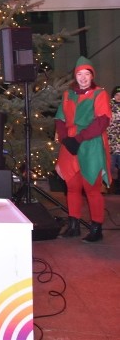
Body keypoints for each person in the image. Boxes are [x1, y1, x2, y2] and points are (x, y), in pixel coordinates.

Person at [54, 56, 112, 242]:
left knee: (92, 188)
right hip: (70, 145)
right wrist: (65, 139)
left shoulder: (100, 94)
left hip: (90, 144)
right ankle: (73, 225)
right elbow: (60, 119)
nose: (83, 78)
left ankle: (96, 228)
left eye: (87, 74)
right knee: (72, 187)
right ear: (75, 76)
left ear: (92, 76)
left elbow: (102, 121)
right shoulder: (67, 95)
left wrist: (79, 138)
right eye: (80, 74)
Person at [107, 86, 120, 193]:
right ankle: (111, 186)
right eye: (117, 94)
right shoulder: (108, 106)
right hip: (110, 141)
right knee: (110, 166)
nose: (119, 97)